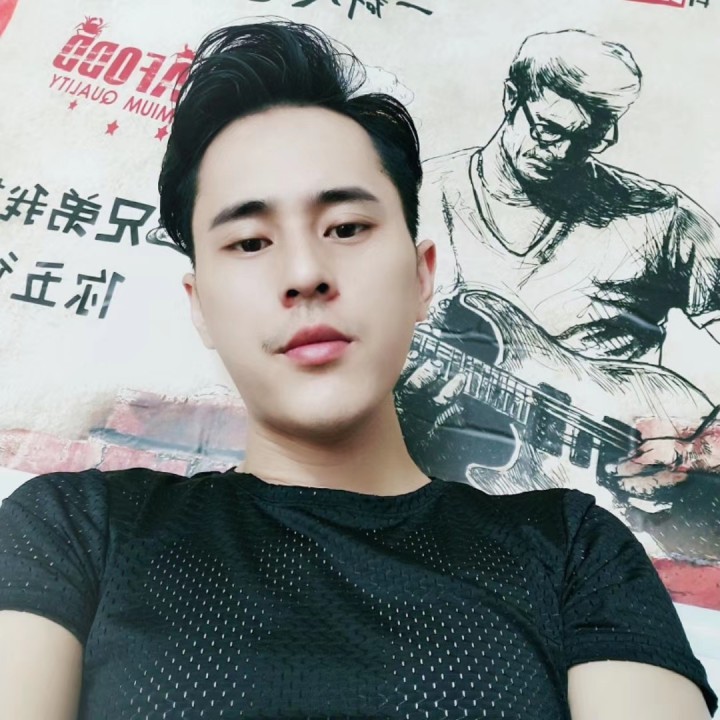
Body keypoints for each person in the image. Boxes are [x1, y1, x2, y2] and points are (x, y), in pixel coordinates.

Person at [0, 20, 716, 720]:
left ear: (421, 276)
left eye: (346, 227)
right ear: (200, 307)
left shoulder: (575, 548)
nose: (305, 272)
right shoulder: (75, 528)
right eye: (249, 242)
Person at [398, 30, 720, 554]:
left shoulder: (660, 218)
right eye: (549, 129)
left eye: (589, 139)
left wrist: (701, 448)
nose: (564, 152)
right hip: (450, 526)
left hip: (621, 530)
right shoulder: (410, 200)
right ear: (511, 97)